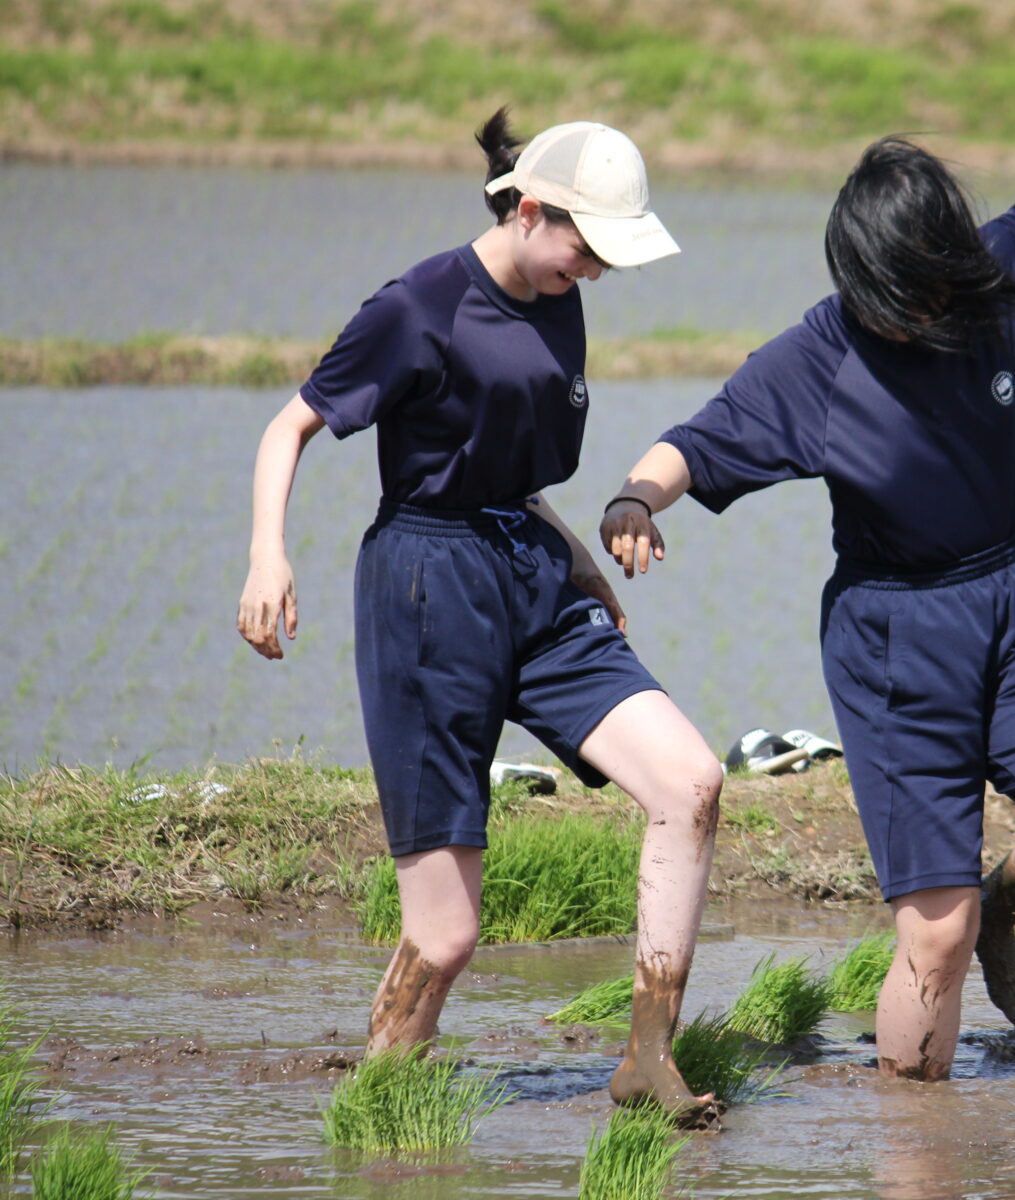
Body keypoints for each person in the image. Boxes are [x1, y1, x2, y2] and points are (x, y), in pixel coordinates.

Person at [595, 0, 1015, 1081]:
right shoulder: (821, 355)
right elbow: (695, 444)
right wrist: (633, 500)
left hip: (1008, 603)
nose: (922, 316)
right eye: (901, 302)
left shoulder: (987, 284)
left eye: (936, 293)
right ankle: (918, 1145)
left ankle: (1003, 912)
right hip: (895, 637)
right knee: (926, 939)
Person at [235, 111, 724, 1122]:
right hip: (428, 586)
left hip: (533, 576)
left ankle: (646, 1060)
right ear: (533, 209)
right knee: (449, 935)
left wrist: (583, 564)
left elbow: (507, 467)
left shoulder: (555, 297)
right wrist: (267, 556)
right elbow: (290, 427)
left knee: (690, 782)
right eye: (587, 249)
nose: (593, 273)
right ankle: (382, 1108)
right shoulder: (418, 306)